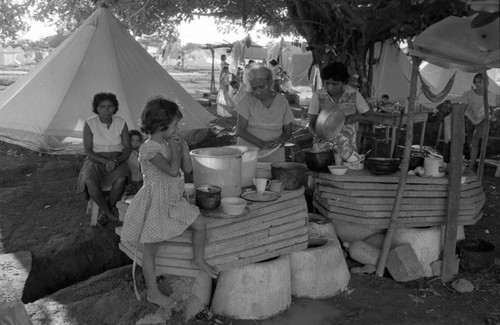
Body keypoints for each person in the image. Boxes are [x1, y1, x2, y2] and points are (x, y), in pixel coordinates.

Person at [120, 97, 218, 308]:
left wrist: (182, 149)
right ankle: (153, 292)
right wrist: (174, 151)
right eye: (175, 124)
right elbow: (173, 171)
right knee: (150, 249)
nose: (178, 128)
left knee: (200, 224)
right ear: (161, 126)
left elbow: (188, 169)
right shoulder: (149, 148)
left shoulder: (170, 142)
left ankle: (198, 258)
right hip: (155, 202)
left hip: (174, 199)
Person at [77, 92, 131, 226]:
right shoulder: (90, 123)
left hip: (117, 158)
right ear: (97, 108)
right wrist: (106, 162)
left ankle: (106, 211)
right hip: (96, 158)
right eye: (102, 106)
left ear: (115, 107)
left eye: (110, 106)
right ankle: (108, 212)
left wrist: (116, 161)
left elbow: (127, 147)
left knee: (121, 180)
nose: (107, 110)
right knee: (90, 182)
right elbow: (88, 151)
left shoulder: (121, 123)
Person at [307, 62, 369, 162]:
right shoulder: (318, 95)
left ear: (344, 82)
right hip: (323, 148)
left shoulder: (353, 94)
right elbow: (311, 123)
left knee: (346, 173)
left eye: (335, 84)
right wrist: (320, 136)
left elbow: (367, 117)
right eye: (327, 83)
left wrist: (356, 117)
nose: (330, 87)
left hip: (348, 148)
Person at [235, 64, 295, 162]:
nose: (258, 92)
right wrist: (261, 144)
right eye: (254, 88)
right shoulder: (247, 99)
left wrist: (280, 141)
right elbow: (240, 130)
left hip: (274, 155)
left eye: (261, 86)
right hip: (248, 155)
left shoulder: (282, 101)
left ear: (270, 82)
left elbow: (288, 131)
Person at [460, 72, 497, 170]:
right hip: (470, 118)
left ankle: (471, 165)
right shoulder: (468, 94)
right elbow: (462, 107)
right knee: (470, 141)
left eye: (480, 81)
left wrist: (491, 117)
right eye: (476, 82)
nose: (477, 84)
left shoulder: (490, 95)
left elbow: (492, 109)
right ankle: (472, 159)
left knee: (475, 140)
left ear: (486, 83)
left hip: (483, 119)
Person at [126, 129, 143, 195]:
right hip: (133, 180)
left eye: (137, 141)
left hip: (140, 179)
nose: (135, 143)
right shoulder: (128, 153)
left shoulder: (139, 152)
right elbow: (138, 165)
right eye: (132, 140)